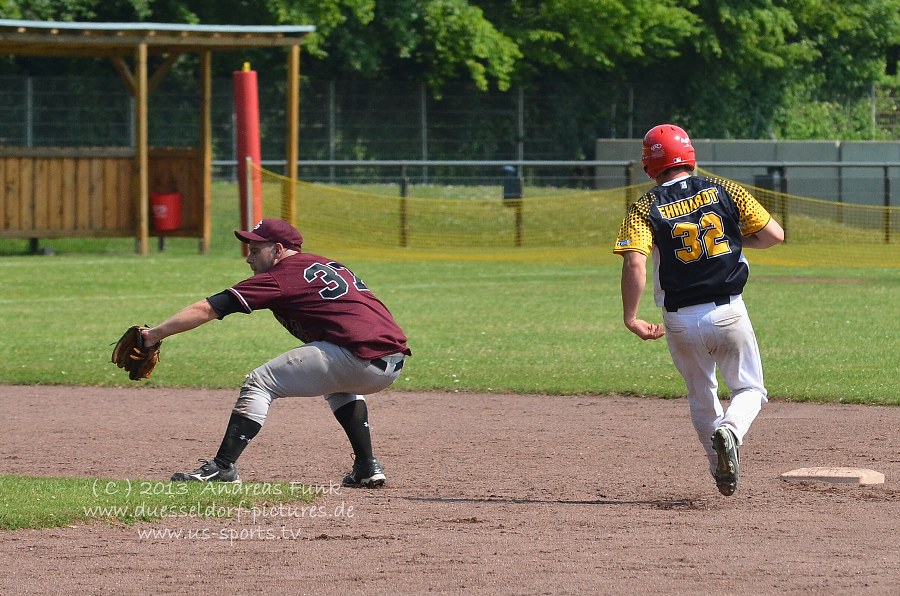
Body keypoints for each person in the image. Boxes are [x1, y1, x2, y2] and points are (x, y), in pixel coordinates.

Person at [141, 218, 411, 488]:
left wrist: (154, 334)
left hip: (357, 355)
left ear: (278, 249)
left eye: (256, 250)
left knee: (260, 382)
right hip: (390, 363)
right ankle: (367, 466)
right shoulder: (324, 264)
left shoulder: (281, 276)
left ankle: (222, 467)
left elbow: (207, 309)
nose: (249, 258)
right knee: (339, 385)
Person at [613, 124, 784, 496]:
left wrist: (630, 316)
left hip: (678, 320)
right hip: (730, 312)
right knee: (750, 388)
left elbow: (635, 264)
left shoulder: (644, 207)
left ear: (649, 166)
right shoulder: (726, 190)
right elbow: (774, 235)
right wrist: (730, 241)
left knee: (701, 395)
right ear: (691, 157)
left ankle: (719, 465)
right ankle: (732, 431)